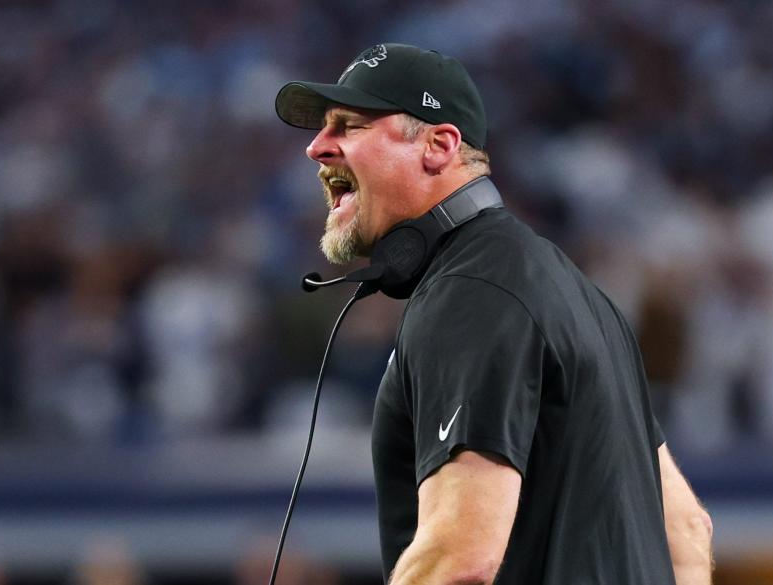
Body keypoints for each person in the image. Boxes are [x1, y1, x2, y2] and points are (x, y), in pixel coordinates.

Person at [275, 43, 713, 585]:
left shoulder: (470, 291)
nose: (317, 147)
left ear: (439, 146)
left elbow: (460, 556)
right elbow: (688, 532)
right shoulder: (579, 296)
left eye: (348, 126)